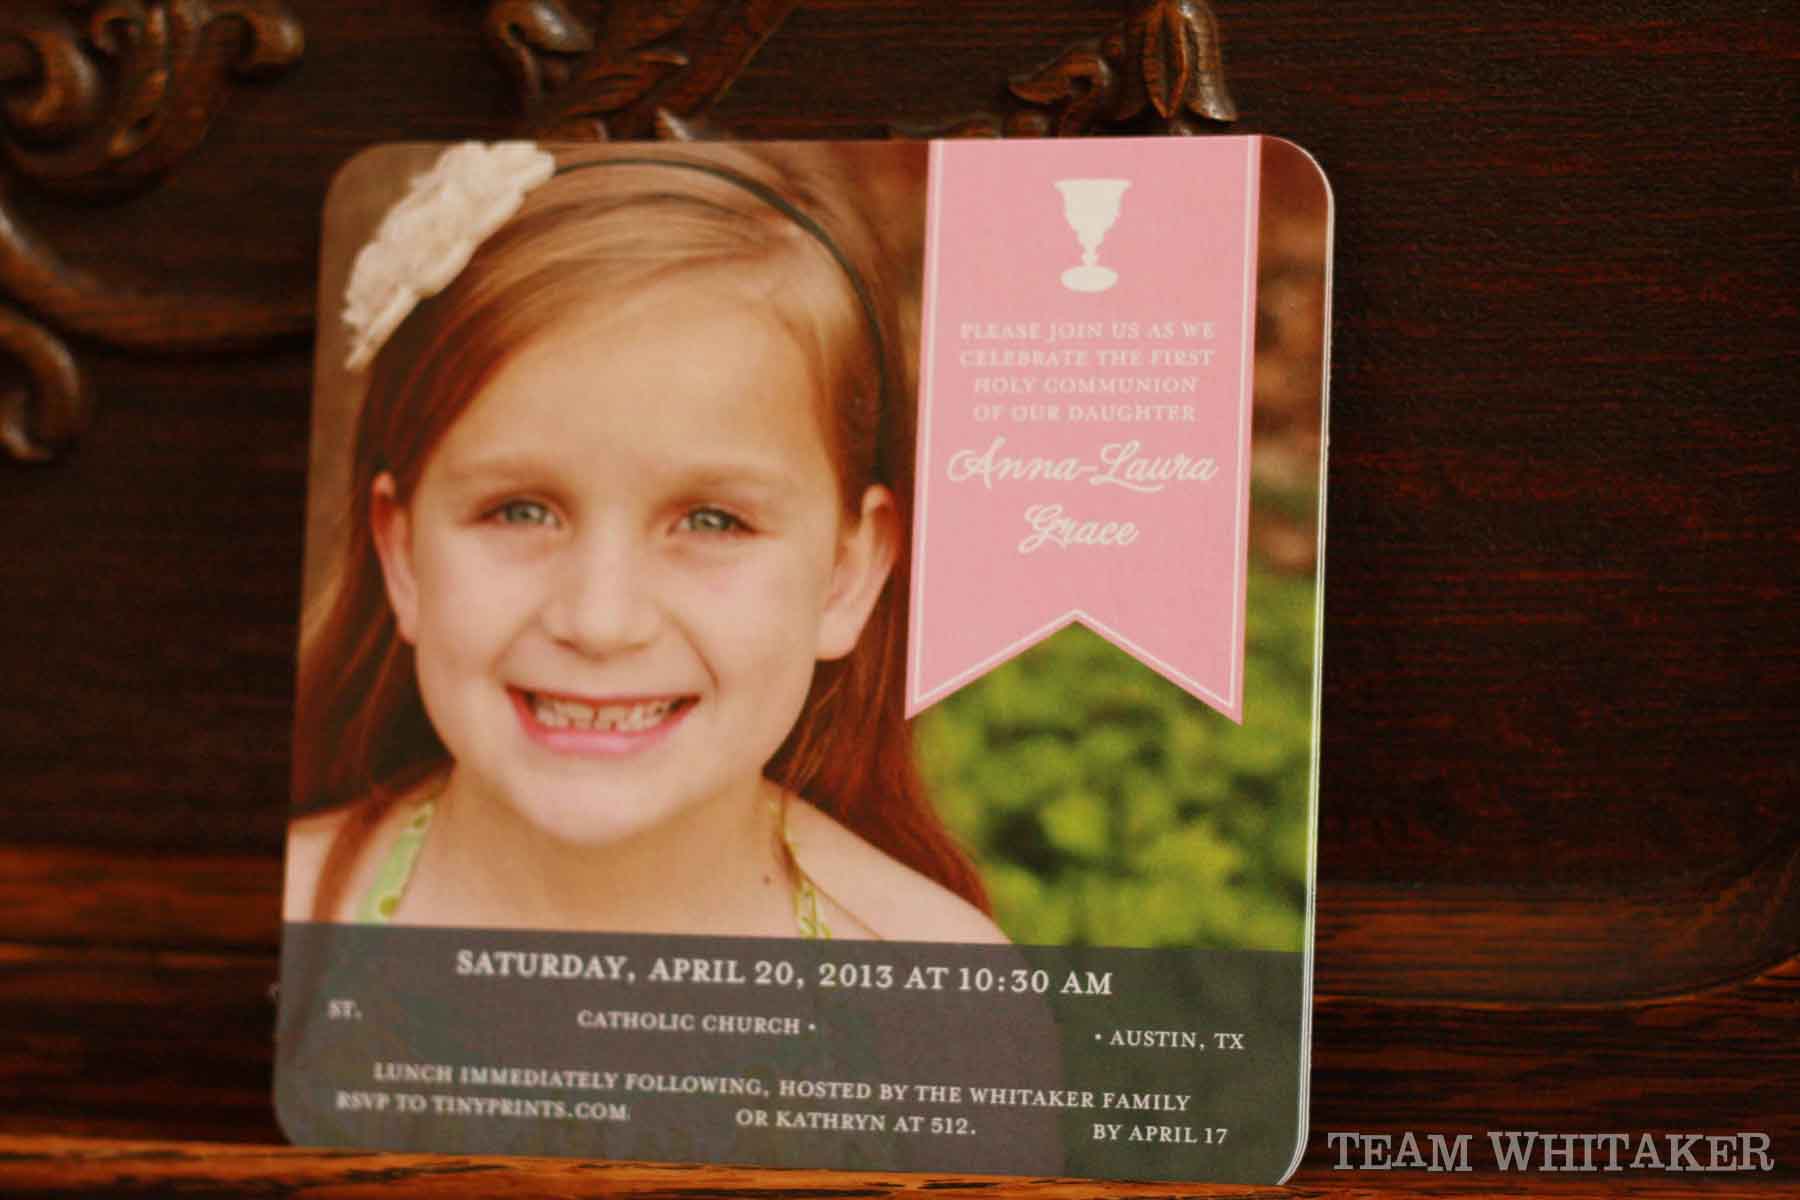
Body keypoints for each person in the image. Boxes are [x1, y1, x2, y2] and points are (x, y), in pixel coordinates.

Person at [283, 140, 1000, 941]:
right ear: (403, 554)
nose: (601, 621)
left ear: (846, 573)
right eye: (520, 511)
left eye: (711, 521)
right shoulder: (284, 915)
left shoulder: (937, 984)